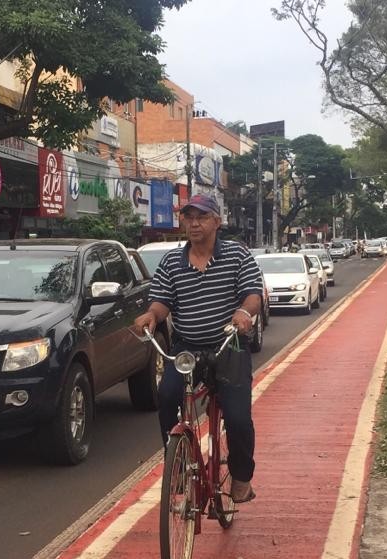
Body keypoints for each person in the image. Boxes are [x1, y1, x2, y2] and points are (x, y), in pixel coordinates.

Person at [133, 194, 264, 505]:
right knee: (166, 398)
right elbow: (162, 303)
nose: (194, 223)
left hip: (228, 346)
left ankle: (242, 477)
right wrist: (151, 316)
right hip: (187, 348)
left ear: (216, 222)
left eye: (202, 217)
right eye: (188, 216)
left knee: (237, 418)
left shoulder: (237, 255)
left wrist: (244, 314)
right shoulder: (171, 262)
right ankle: (177, 467)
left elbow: (252, 296)